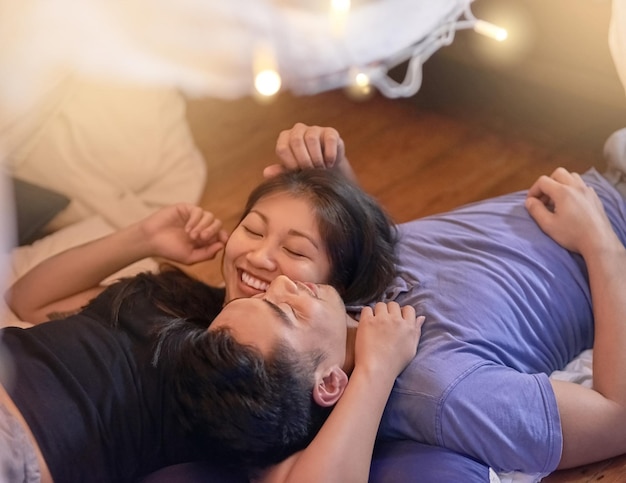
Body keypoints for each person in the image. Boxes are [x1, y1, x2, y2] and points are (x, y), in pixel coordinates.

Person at [183, 124, 626, 481]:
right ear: (330, 383)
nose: (279, 283)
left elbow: (390, 246)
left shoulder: (344, 301)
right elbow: (617, 417)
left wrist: (335, 172)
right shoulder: (445, 392)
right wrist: (599, 240)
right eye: (284, 310)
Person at [1, 154, 421, 482]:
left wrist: (375, 369)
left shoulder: (268, 386)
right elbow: (29, 300)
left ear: (335, 287)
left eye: (295, 252)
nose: (258, 256)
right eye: (253, 229)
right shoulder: (172, 294)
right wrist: (143, 237)